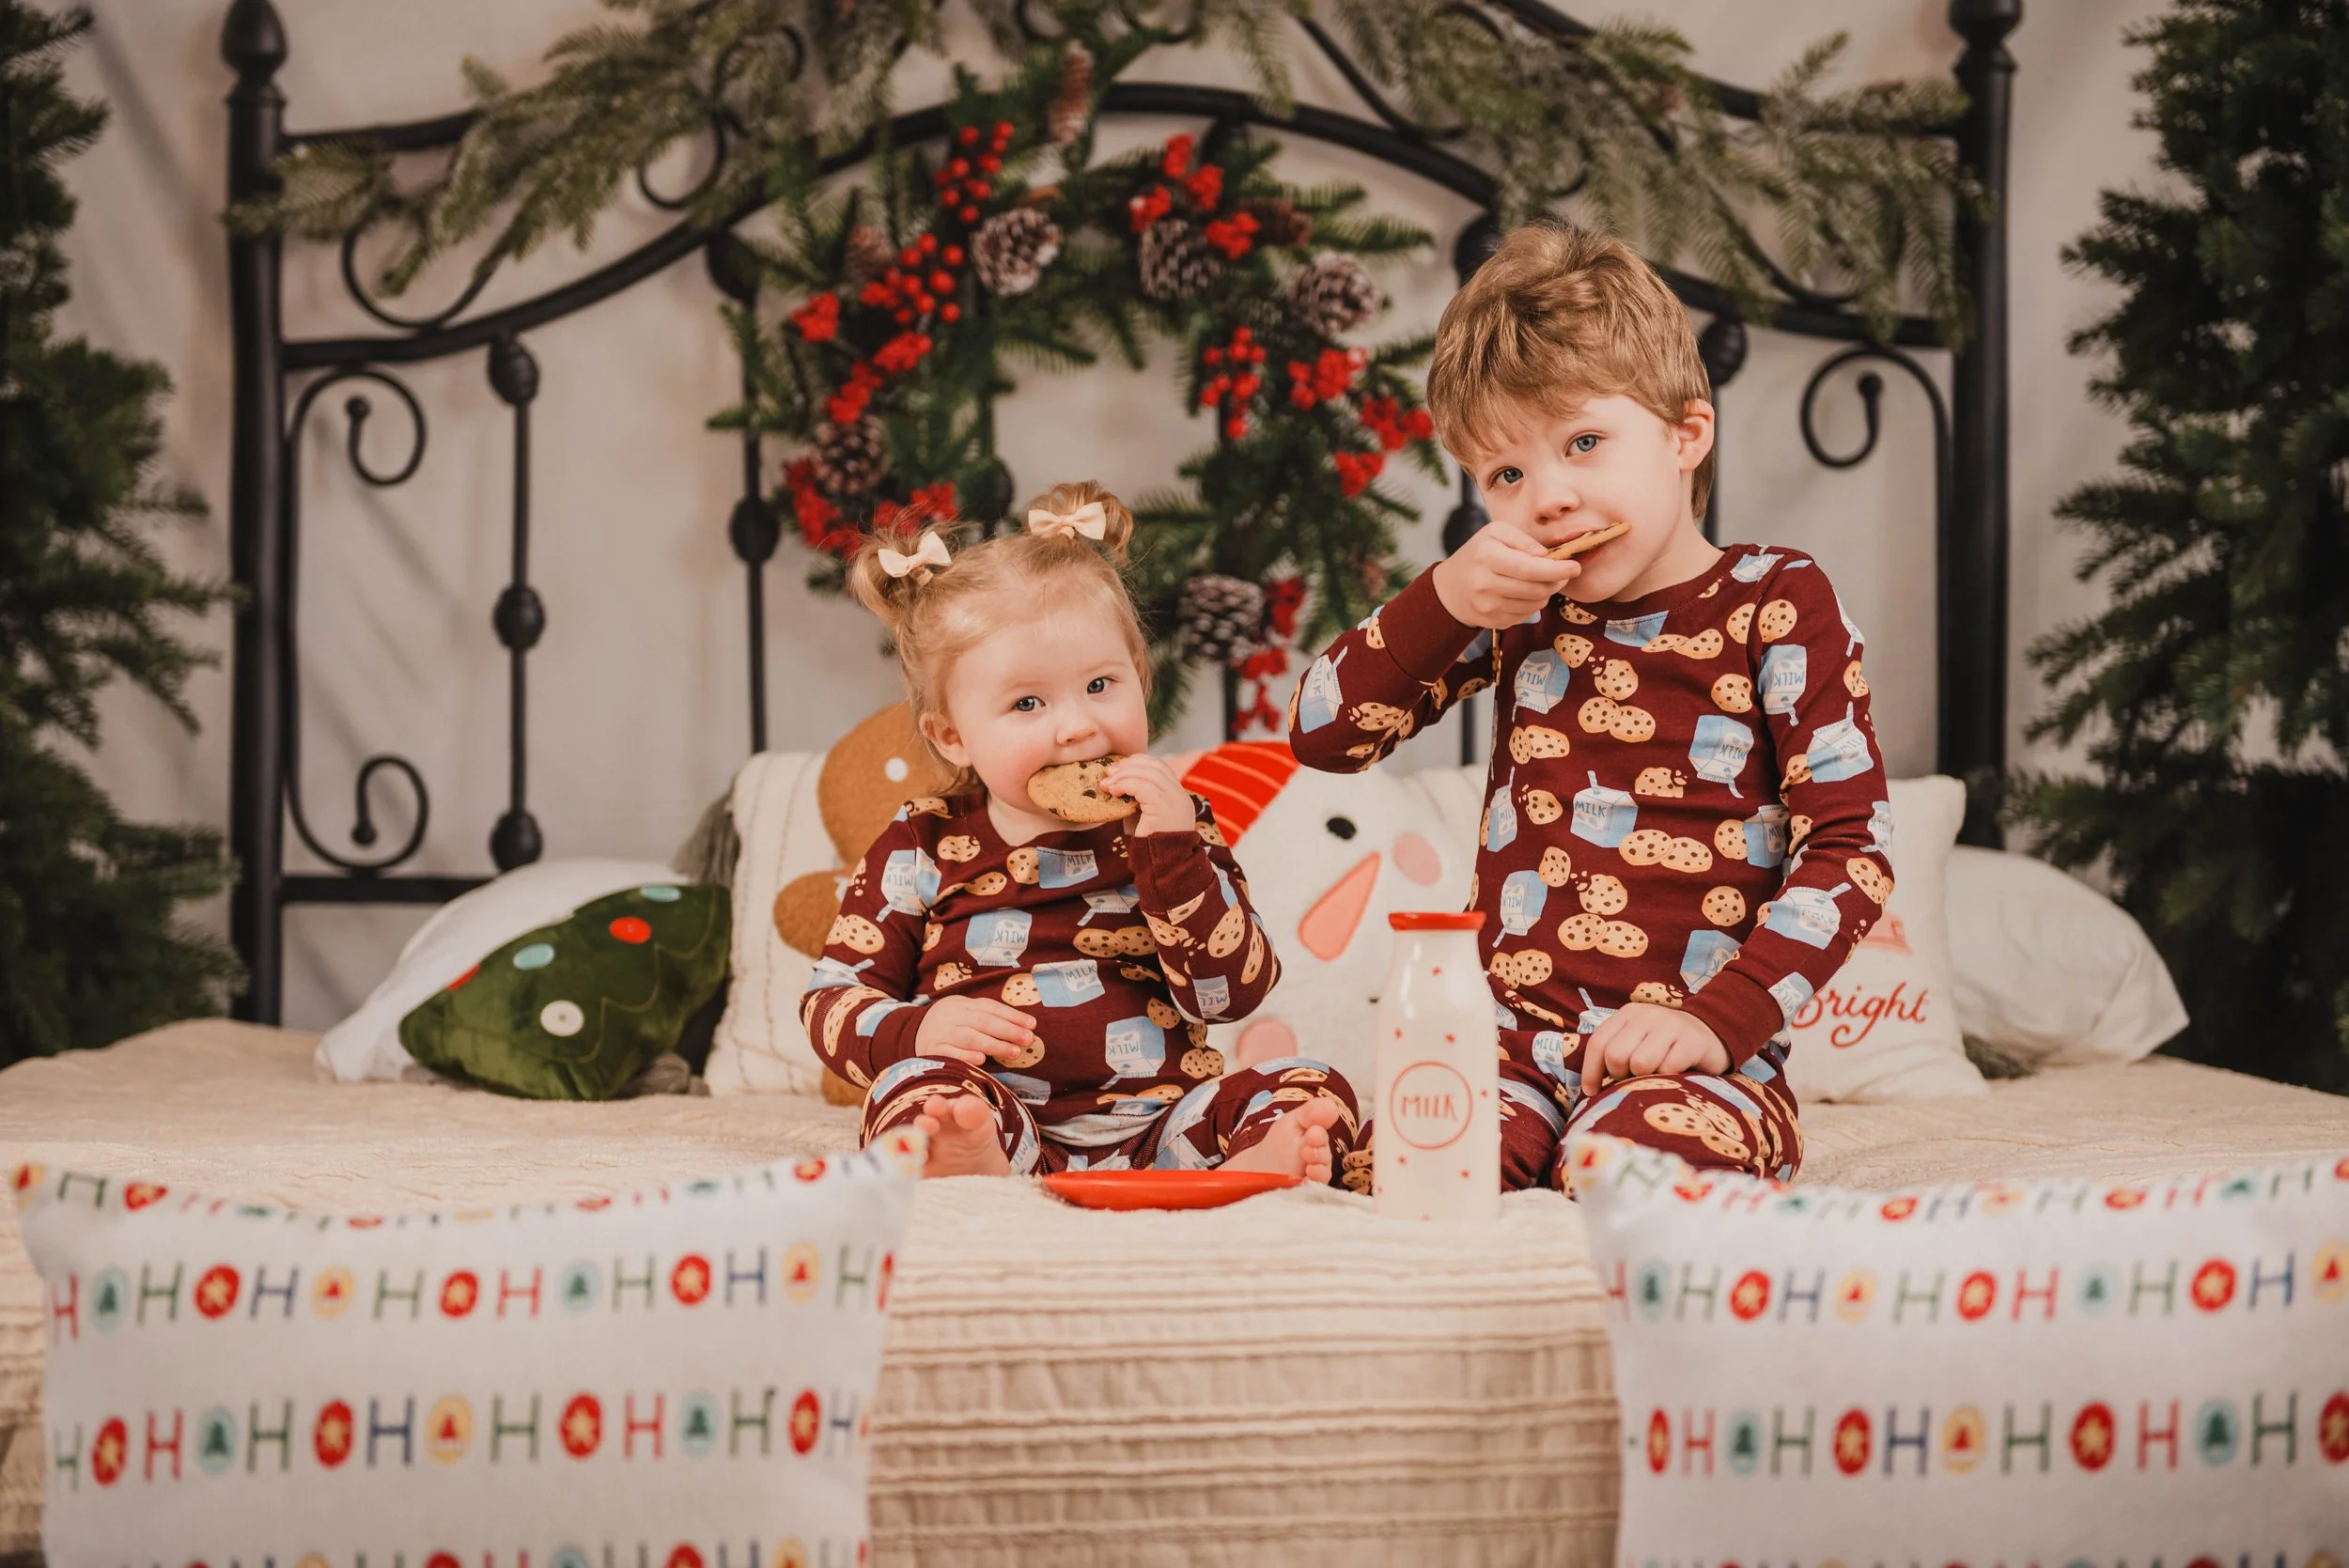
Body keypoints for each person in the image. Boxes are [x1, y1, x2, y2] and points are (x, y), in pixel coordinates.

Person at [1290, 221, 1895, 1190]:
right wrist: (1442, 600)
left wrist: (1715, 1019)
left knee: (1630, 1167)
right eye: (1506, 474)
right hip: (1505, 1055)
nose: (1550, 497)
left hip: (1698, 1059)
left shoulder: (1775, 601)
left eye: (1583, 442)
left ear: (1685, 433)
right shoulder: (1513, 609)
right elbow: (1322, 735)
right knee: (1415, 1171)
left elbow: (1851, 851)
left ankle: (1630, 1163)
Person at [801, 482, 1359, 1182]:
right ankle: (969, 1155)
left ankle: (1252, 1160)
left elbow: (1231, 995)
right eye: (1027, 702)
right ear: (952, 737)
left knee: (1313, 1085)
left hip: (1167, 1125)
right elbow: (831, 1000)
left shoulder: (1176, 826)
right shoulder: (924, 841)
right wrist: (919, 1030)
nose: (1076, 725)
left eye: (1100, 685)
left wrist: (1175, 855)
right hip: (996, 1106)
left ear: (1140, 680)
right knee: (911, 1094)